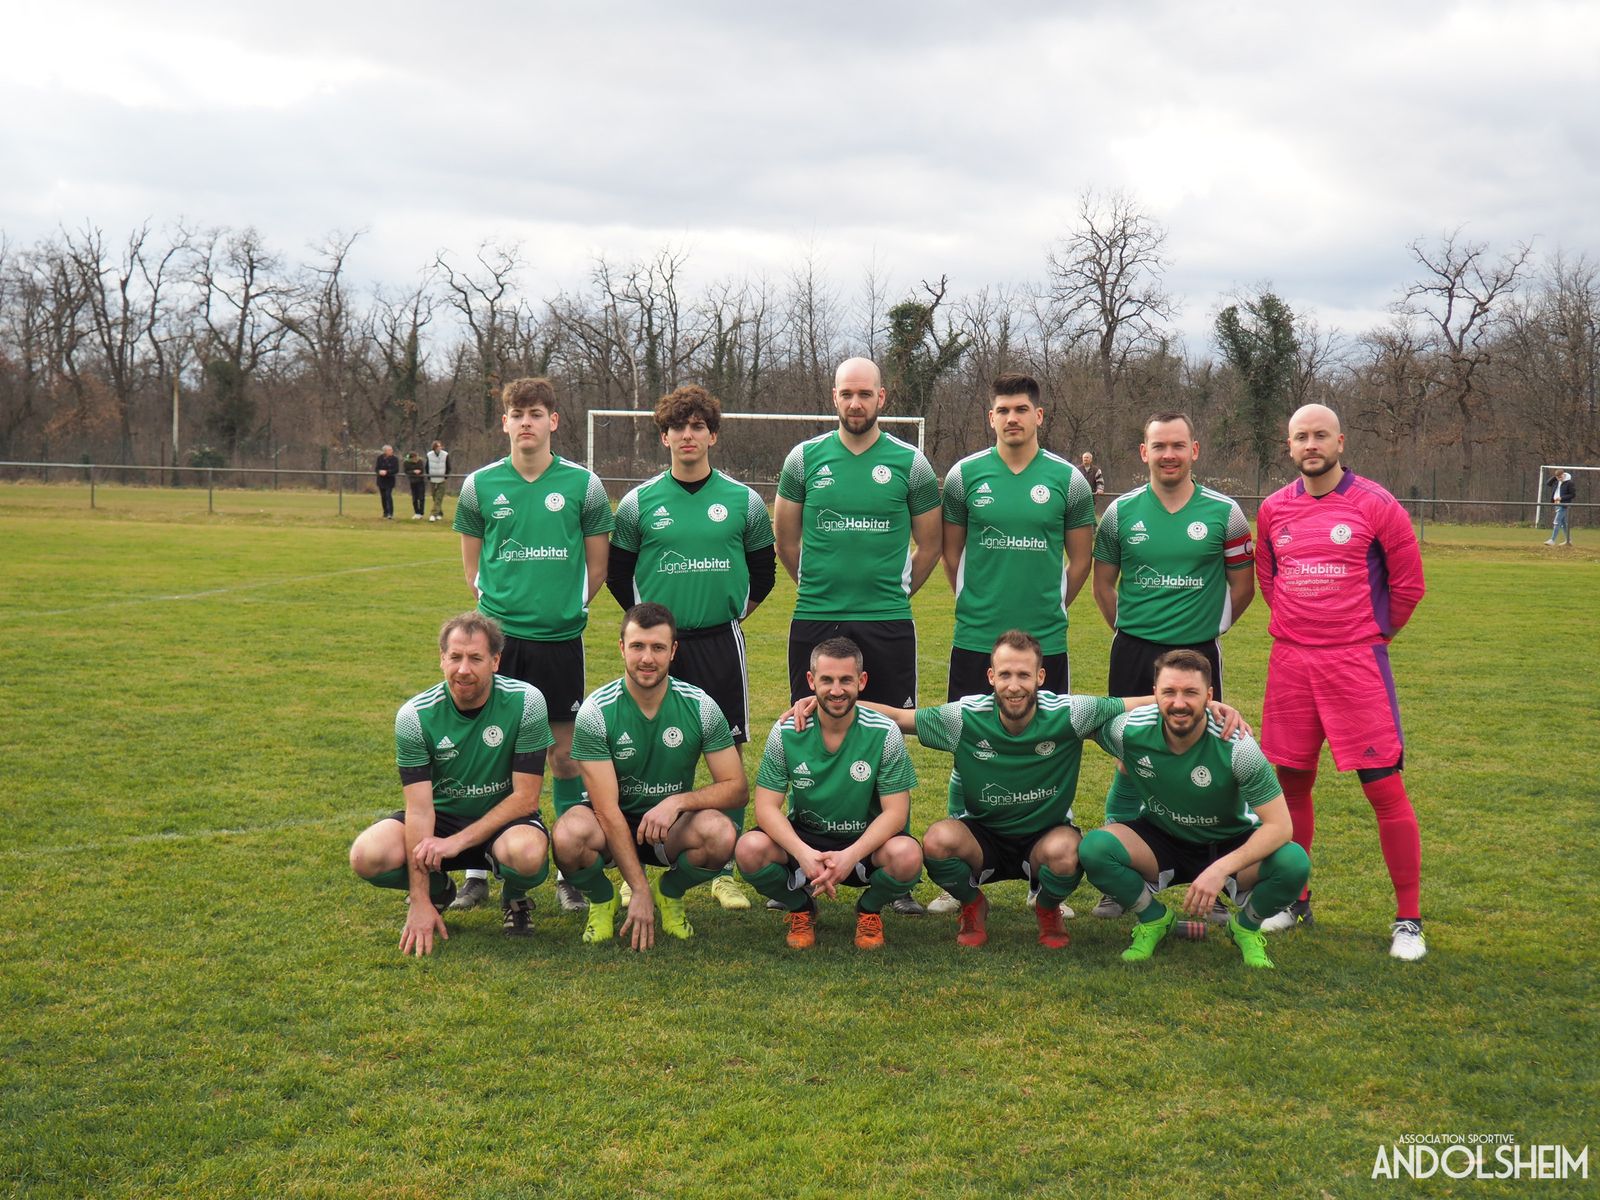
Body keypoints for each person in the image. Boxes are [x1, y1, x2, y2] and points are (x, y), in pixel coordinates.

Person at [1254, 404, 1427, 960]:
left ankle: (1408, 920)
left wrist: (1369, 635)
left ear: (1340, 442)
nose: (1311, 444)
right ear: (1289, 445)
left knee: (1383, 788)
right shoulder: (1273, 509)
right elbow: (1269, 580)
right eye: (1301, 436)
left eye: (1320, 435)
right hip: (1291, 664)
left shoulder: (1377, 504)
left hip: (1356, 666)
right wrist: (1303, 628)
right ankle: (1294, 899)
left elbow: (1409, 586)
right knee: (1290, 787)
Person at [774, 357, 940, 915]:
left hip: (887, 620)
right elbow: (787, 541)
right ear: (834, 397)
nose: (855, 403)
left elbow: (930, 545)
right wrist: (818, 588)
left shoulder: (910, 463)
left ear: (881, 398)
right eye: (847, 393)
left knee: (888, 733)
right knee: (806, 725)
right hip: (816, 615)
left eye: (865, 393)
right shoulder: (804, 459)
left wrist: (895, 593)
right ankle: (803, 861)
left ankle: (892, 870)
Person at [607, 384, 776, 911]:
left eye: (697, 426)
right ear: (664, 437)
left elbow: (764, 574)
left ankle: (723, 869)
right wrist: (655, 631)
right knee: (643, 750)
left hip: (719, 642)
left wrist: (726, 615)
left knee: (730, 752)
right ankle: (632, 866)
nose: (688, 435)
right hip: (659, 650)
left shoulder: (744, 501)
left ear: (713, 435)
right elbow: (618, 574)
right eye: (677, 427)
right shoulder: (638, 503)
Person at [451, 377, 613, 914]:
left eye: (536, 413)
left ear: (553, 421)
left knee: (564, 756)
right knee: (489, 755)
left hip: (559, 642)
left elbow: (597, 567)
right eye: (517, 414)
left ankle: (568, 871)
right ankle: (477, 871)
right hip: (499, 645)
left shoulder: (584, 485)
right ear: (505, 423)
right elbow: (473, 570)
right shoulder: (479, 485)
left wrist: (565, 608)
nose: (526, 422)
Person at [1088, 412, 1255, 920]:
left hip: (1197, 652)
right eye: (1159, 446)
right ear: (1144, 452)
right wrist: (1132, 630)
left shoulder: (1226, 513)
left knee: (1209, 757)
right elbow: (1103, 584)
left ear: (1194, 450)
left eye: (1178, 445)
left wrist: (1207, 629)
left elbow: (1243, 586)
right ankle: (1123, 877)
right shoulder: (1120, 513)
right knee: (1128, 754)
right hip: (1135, 650)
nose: (1168, 455)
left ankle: (1213, 874)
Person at [1078, 650, 1310, 969]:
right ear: (1155, 693)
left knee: (1293, 862)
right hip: (1162, 838)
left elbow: (1280, 826)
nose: (1179, 703)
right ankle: (1154, 919)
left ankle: (1245, 927)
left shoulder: (1237, 745)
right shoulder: (1128, 730)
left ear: (1209, 696)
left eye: (1191, 693)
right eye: (1169, 692)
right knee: (1095, 848)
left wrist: (1220, 869)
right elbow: (1079, 722)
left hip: (1227, 841)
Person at [347, 613, 554, 953]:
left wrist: (457, 843)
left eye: (475, 658)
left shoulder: (527, 701)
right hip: (440, 820)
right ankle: (437, 891)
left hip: (505, 820)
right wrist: (419, 898)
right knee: (366, 855)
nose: (463, 669)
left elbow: (526, 799)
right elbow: (419, 809)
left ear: (495, 661)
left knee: (528, 855)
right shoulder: (414, 716)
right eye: (455, 657)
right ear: (442, 659)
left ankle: (515, 896)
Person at [552, 603, 747, 950]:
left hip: (669, 827)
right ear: (621, 648)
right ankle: (603, 898)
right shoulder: (597, 711)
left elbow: (737, 789)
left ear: (673, 650)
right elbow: (606, 810)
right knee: (568, 836)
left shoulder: (700, 705)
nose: (647, 658)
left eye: (658, 647)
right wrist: (637, 889)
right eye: (637, 646)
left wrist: (678, 802)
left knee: (719, 833)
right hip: (610, 823)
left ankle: (668, 892)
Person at [735, 637, 923, 949]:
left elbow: (896, 813)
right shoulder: (786, 731)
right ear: (811, 681)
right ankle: (801, 907)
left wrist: (851, 855)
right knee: (749, 849)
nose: (836, 690)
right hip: (807, 839)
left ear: (862, 681)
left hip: (864, 842)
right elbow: (766, 808)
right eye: (827, 680)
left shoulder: (885, 732)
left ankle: (868, 910)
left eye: (846, 680)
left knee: (908, 856)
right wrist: (802, 853)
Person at [1546, 470, 1574, 545]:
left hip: (1563, 505)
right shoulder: (1556, 481)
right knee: (1563, 523)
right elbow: (1548, 483)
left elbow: (1572, 494)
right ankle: (1568, 540)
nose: (1559, 479)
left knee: (1556, 522)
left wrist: (1562, 498)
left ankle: (1552, 540)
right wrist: (1555, 477)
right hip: (1556, 504)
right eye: (1558, 477)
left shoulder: (1569, 483)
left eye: (1560, 477)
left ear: (1563, 475)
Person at [426, 440, 450, 522]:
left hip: (442, 479)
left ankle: (433, 514)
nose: (440, 448)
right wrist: (429, 477)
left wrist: (445, 476)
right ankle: (439, 513)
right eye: (438, 446)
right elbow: (427, 466)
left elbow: (448, 466)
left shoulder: (445, 455)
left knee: (439, 497)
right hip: (432, 479)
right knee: (434, 496)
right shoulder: (429, 455)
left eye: (440, 446)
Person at [374, 445, 399, 520]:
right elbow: (376, 468)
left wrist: (387, 472)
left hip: (389, 480)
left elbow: (396, 470)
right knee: (383, 497)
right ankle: (385, 512)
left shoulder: (394, 459)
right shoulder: (380, 458)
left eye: (391, 450)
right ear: (385, 451)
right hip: (381, 480)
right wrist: (379, 471)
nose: (391, 451)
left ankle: (390, 513)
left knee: (388, 496)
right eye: (390, 450)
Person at [403, 450, 427, 519]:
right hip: (413, 482)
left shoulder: (420, 461)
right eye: (414, 458)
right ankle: (416, 512)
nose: (416, 459)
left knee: (421, 497)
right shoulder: (406, 462)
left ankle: (421, 513)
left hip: (420, 481)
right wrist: (413, 472)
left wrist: (419, 471)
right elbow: (406, 471)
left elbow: (422, 470)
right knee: (414, 498)